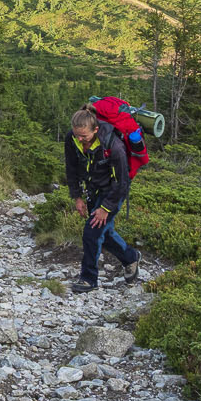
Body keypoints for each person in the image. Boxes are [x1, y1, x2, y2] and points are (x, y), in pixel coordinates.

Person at [63, 106, 140, 293]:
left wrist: (106, 207)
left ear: (95, 130)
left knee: (92, 232)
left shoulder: (114, 147)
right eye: (76, 135)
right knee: (102, 234)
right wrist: (77, 197)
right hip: (93, 189)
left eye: (84, 136)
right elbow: (71, 169)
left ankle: (88, 279)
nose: (79, 139)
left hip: (113, 191)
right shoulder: (71, 139)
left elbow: (122, 183)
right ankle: (130, 257)